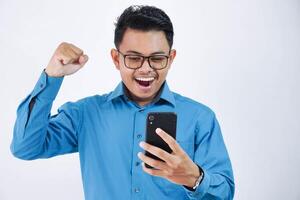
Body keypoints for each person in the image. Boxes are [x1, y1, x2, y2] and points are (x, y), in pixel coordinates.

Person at [11, 5, 235, 200]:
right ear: (116, 59)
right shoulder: (86, 114)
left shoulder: (200, 118)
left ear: (171, 58)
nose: (146, 69)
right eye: (134, 58)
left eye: (157, 58)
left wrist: (194, 177)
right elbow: (25, 147)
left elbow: (224, 193)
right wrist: (51, 76)